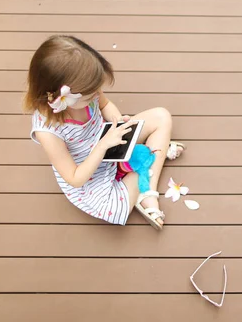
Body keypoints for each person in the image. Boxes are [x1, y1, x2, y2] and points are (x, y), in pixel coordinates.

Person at [24, 35, 185, 230]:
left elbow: (105, 105)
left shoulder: (88, 91)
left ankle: (142, 167)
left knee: (161, 116)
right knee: (143, 167)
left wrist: (118, 121)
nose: (97, 94)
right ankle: (146, 193)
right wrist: (102, 146)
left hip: (111, 144)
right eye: (91, 94)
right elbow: (75, 178)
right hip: (92, 178)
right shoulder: (48, 131)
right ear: (61, 96)